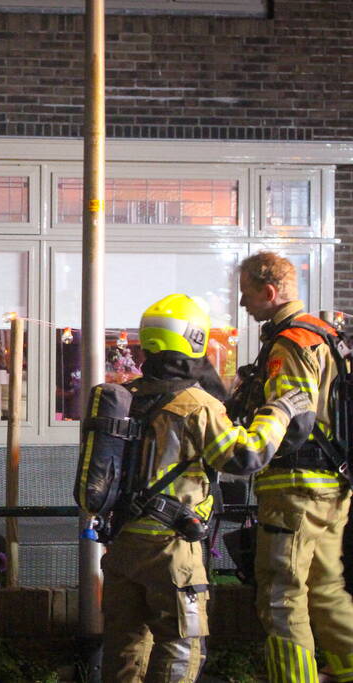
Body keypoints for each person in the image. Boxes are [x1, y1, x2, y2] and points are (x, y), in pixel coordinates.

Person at [101, 293, 309, 682]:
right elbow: (245, 457)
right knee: (181, 646)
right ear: (193, 339)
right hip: (171, 549)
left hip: (122, 542)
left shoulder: (125, 396)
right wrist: (278, 413)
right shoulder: (196, 405)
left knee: (125, 645)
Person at [236, 251, 353, 683]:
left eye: (246, 294)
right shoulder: (328, 335)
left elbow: (295, 419)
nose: (243, 304)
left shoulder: (290, 342)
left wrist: (251, 446)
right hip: (332, 486)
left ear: (269, 292)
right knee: (326, 589)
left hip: (295, 490)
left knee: (281, 593)